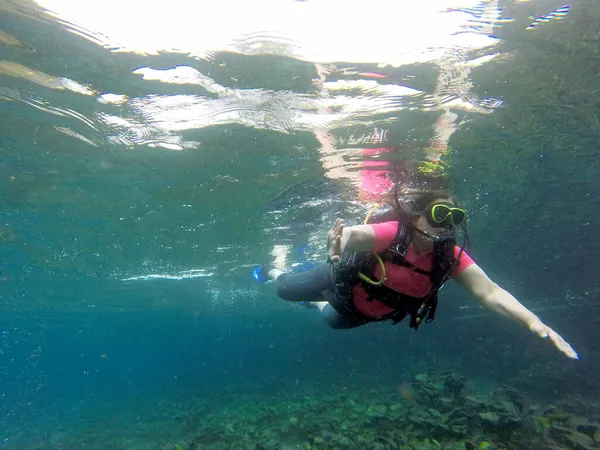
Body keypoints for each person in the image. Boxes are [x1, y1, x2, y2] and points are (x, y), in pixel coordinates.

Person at [254, 189, 580, 361]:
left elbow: (491, 292)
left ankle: (314, 306)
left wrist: (533, 321)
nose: (446, 223)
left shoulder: (448, 257)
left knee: (330, 321)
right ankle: (276, 266)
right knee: (284, 290)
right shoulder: (396, 233)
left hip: (362, 314)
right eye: (439, 213)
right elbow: (355, 234)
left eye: (454, 217)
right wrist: (337, 242)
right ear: (419, 216)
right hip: (337, 283)